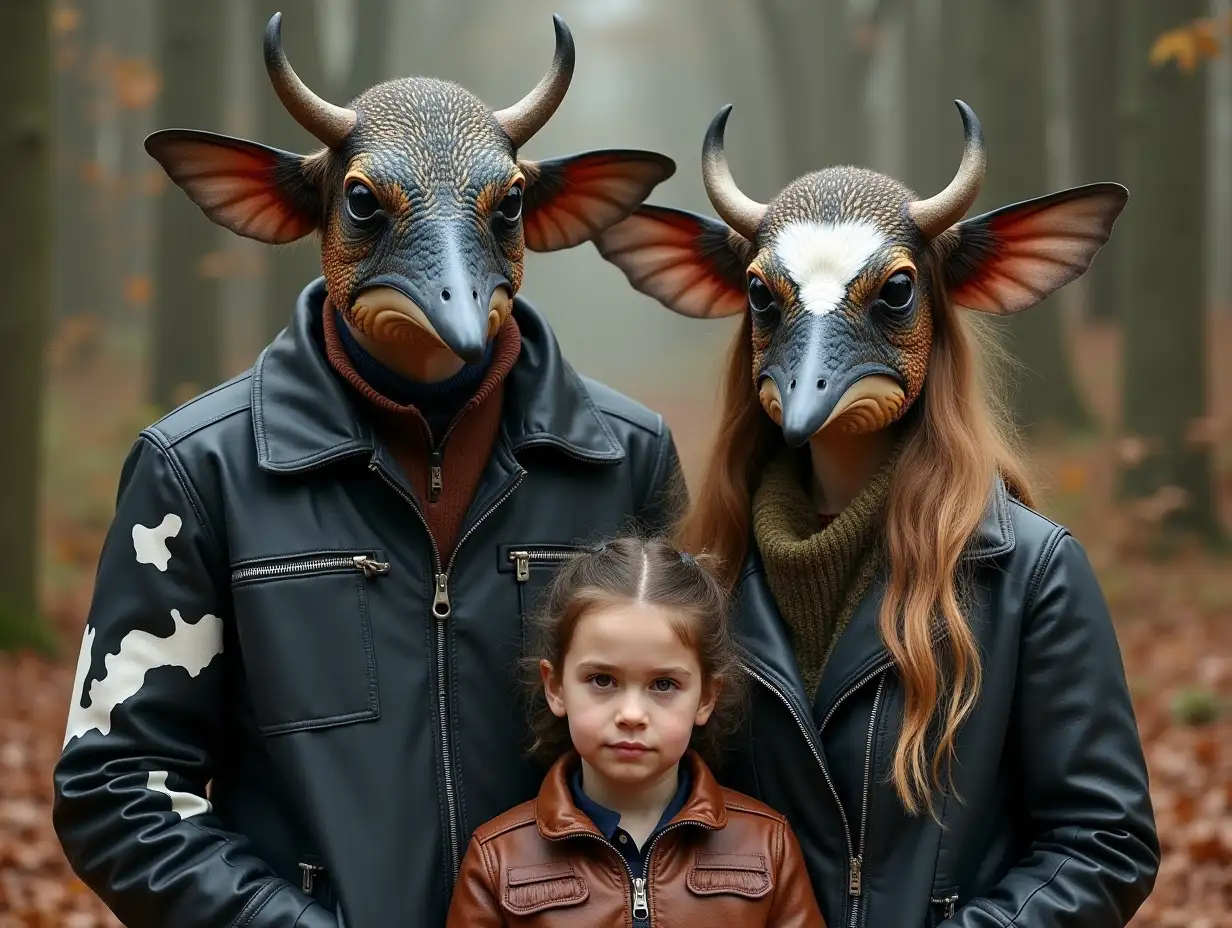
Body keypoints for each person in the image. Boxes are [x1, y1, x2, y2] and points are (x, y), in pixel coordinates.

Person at [52, 14, 683, 928]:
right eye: (369, 209)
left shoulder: (623, 461)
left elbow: (705, 748)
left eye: (497, 213)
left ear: (542, 219)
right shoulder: (201, 472)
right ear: (291, 210)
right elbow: (117, 785)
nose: (451, 274)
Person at [593, 102, 1160, 927]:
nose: (815, 361)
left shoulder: (1024, 572)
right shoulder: (704, 576)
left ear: (934, 309)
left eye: (889, 296)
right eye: (770, 300)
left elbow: (1105, 841)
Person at [447, 535, 824, 927]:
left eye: (663, 685)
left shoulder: (766, 845)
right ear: (555, 687)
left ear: (707, 697)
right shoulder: (498, 859)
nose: (631, 714)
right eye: (602, 680)